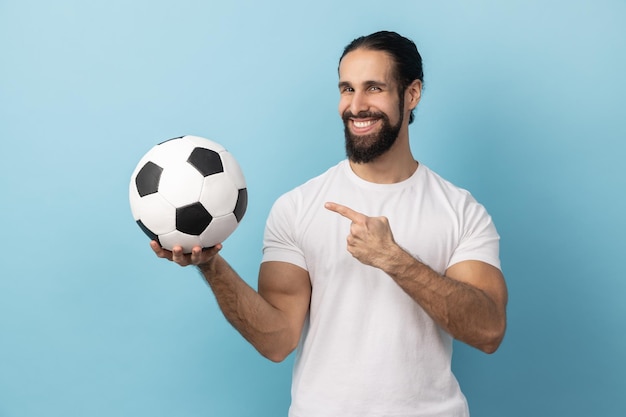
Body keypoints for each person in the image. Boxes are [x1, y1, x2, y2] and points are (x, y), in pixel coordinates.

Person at [151, 30, 508, 417]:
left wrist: (394, 260)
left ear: (412, 94)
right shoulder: (299, 206)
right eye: (346, 88)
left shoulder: (461, 211)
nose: (356, 106)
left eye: (374, 88)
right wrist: (211, 266)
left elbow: (488, 331)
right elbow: (277, 341)